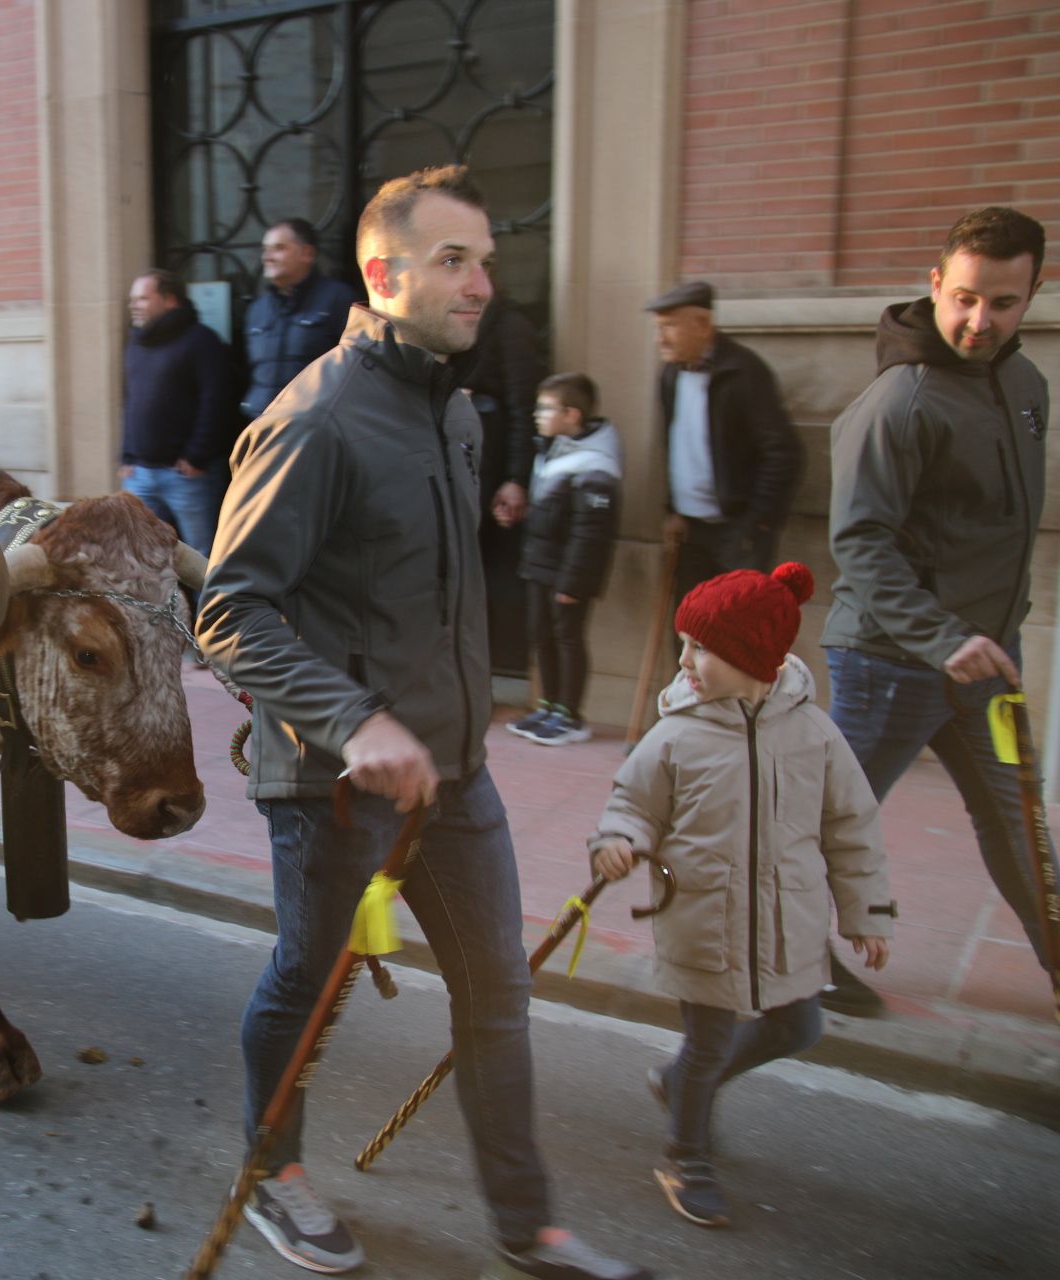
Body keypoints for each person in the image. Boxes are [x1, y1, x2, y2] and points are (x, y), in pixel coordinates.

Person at [196, 166, 649, 1280]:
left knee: (499, 991)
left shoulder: (452, 405)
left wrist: (451, 730)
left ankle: (527, 1221)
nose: (482, 282)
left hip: (455, 770)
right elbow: (228, 610)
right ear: (383, 272)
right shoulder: (314, 419)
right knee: (306, 980)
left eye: (486, 259)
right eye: (455, 260)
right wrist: (356, 722)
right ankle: (274, 1174)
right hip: (333, 777)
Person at [590, 562, 893, 1228]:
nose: (685, 660)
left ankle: (675, 1086)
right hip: (702, 915)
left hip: (790, 921)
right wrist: (618, 840)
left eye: (702, 648)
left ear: (760, 656)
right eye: (684, 644)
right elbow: (633, 802)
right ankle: (684, 1154)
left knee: (799, 1025)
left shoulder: (815, 736)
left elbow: (851, 827)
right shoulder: (676, 734)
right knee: (707, 1041)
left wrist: (866, 912)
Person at [820, 205, 1050, 1017]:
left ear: (1034, 292)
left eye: (1002, 303)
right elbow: (860, 543)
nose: (978, 320)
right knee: (833, 824)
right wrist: (941, 637)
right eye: (963, 298)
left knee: (1018, 820)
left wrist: (989, 635)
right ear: (935, 285)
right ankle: (788, 955)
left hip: (982, 662)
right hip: (889, 658)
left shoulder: (1026, 386)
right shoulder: (901, 400)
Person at [648, 282, 803, 607]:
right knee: (689, 628)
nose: (660, 339)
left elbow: (783, 452)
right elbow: (674, 446)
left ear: (703, 325)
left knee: (734, 632)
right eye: (658, 328)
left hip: (737, 532)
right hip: (689, 531)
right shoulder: (670, 375)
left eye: (670, 327)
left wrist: (757, 521)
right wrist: (673, 509)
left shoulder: (743, 371)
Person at [503, 372, 622, 746]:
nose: (537, 415)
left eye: (545, 408)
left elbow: (591, 532)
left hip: (566, 573)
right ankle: (549, 705)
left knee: (566, 637)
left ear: (572, 415)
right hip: (540, 564)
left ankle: (570, 715)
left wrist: (574, 582)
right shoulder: (552, 449)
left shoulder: (595, 464)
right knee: (542, 637)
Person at [460, 291, 545, 674]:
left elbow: (523, 407)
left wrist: (516, 479)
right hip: (456, 469)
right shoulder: (445, 320)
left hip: (492, 476)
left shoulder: (511, 328)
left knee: (487, 582)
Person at [120, 269, 232, 555]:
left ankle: (207, 603)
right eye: (133, 299)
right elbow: (132, 402)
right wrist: (127, 454)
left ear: (169, 300)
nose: (133, 305)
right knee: (142, 555)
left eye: (143, 298)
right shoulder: (137, 343)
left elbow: (215, 402)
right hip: (140, 474)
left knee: (201, 556)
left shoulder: (201, 340)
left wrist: (196, 455)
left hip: (186, 477)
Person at [239, 218, 355, 421]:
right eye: (265, 249)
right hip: (261, 426)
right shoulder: (257, 308)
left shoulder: (338, 299)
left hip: (314, 428)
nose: (267, 257)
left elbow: (355, 370)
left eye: (279, 248)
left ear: (307, 253)